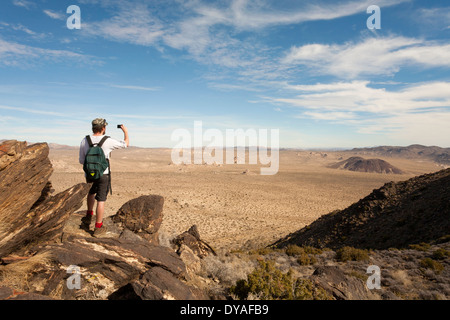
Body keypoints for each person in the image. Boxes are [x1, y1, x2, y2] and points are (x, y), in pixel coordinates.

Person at [79, 118, 129, 237]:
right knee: (101, 199)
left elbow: (82, 161)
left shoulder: (85, 140)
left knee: (91, 193)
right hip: (103, 174)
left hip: (89, 174)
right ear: (103, 128)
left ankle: (88, 216)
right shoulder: (108, 141)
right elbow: (125, 144)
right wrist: (125, 131)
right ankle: (98, 227)